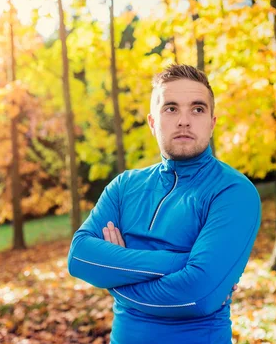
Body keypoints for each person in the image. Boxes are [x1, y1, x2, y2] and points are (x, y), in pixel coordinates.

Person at [67, 64, 261, 344]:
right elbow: (80, 258)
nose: (184, 120)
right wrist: (183, 262)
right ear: (152, 122)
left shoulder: (233, 191)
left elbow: (198, 296)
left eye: (197, 109)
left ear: (212, 122)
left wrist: (115, 275)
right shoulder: (124, 186)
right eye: (171, 108)